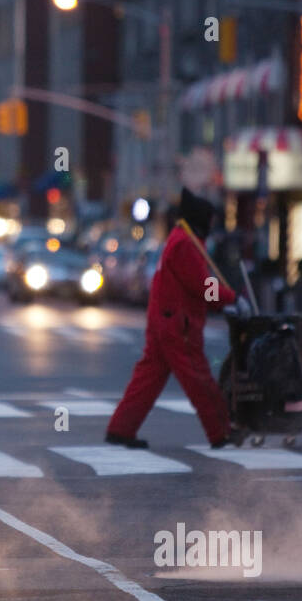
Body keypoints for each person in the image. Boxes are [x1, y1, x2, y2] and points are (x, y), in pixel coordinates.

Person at [105, 188, 247, 450]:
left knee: (147, 379)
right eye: (211, 220)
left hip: (165, 321)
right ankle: (221, 432)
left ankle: (120, 429)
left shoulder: (179, 239)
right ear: (201, 220)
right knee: (199, 379)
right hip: (178, 326)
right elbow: (203, 286)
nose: (213, 225)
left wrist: (224, 298)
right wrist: (232, 298)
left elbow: (199, 285)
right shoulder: (185, 244)